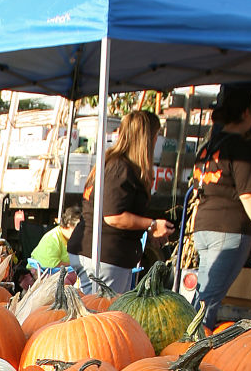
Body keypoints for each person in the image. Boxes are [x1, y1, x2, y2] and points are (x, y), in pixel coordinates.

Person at [67, 110, 172, 294]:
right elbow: (113, 216)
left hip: (102, 252)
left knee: (102, 313)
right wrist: (152, 224)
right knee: (101, 316)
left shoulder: (114, 164)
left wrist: (147, 228)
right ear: (147, 138)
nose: (157, 141)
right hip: (104, 254)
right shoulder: (120, 167)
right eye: (156, 135)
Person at [191, 85, 251, 326]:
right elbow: (248, 194)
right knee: (209, 299)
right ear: (246, 113)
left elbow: (196, 189)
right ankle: (191, 349)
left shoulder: (207, 147)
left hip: (204, 226)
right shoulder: (239, 149)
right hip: (228, 228)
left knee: (203, 295)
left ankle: (187, 343)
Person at [28, 203, 82, 274]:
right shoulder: (52, 239)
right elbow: (54, 266)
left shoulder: (76, 240)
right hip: (45, 274)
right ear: (68, 225)